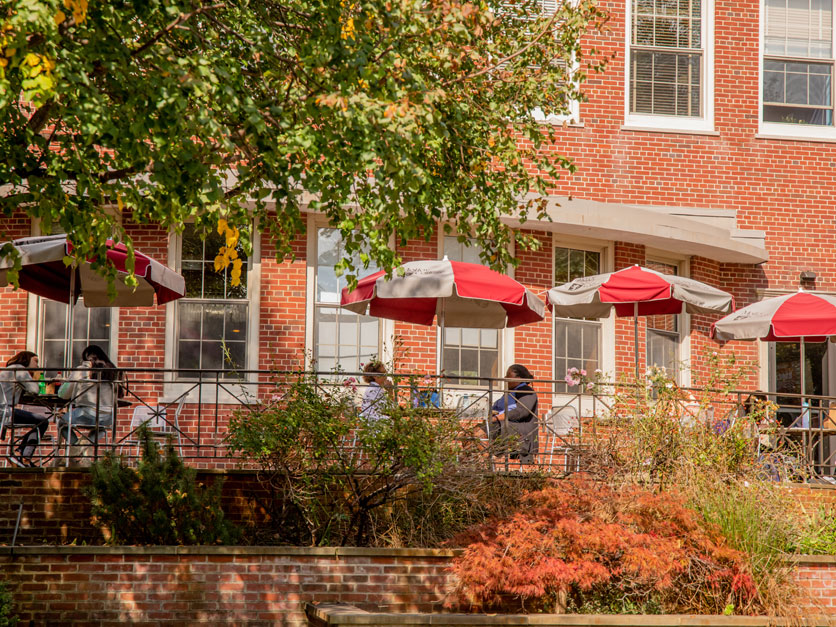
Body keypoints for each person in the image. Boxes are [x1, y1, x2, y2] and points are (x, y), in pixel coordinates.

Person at [57, 345, 124, 458]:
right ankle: (85, 445)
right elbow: (120, 396)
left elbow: (63, 395)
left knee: (62, 423)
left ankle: (76, 446)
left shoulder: (82, 370)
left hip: (86, 414)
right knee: (101, 428)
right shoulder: (113, 372)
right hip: (108, 416)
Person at [0, 351, 51, 466]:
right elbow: (35, 390)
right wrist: (36, 376)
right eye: (35, 361)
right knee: (42, 421)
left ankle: (21, 455)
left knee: (39, 421)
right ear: (26, 359)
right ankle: (23, 455)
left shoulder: (10, 369)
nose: (38, 365)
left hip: (3, 411)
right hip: (5, 412)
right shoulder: (20, 370)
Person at [487, 364, 539, 463]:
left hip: (518, 428)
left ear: (518, 378)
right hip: (501, 424)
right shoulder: (509, 392)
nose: (505, 378)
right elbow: (495, 407)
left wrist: (498, 418)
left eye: (508, 376)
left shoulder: (526, 391)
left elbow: (522, 411)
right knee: (469, 434)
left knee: (478, 433)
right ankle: (481, 464)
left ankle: (488, 464)